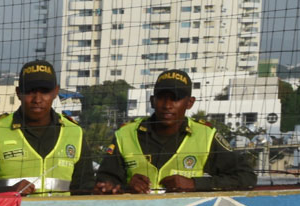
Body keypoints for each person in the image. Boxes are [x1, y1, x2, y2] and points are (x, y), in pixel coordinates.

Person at [93, 69, 257, 195]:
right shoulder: (125, 135)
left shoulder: (206, 136)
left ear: (190, 103)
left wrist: (194, 184)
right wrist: (126, 187)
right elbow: (103, 183)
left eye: (175, 98)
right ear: (152, 101)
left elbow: (246, 177)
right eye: (162, 97)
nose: (167, 105)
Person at [0, 60, 92, 196]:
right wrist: (9, 192)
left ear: (55, 92)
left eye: (45, 91)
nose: (37, 99)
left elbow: (85, 190)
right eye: (30, 91)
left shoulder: (75, 133)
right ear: (18, 93)